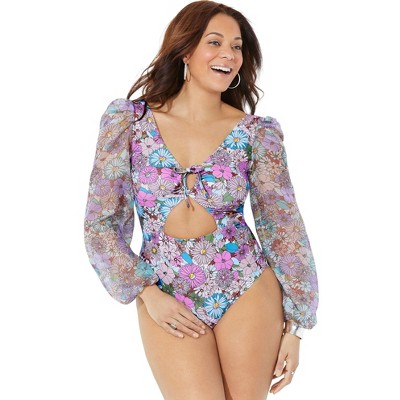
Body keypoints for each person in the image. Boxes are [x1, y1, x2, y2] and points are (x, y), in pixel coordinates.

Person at [83, 1, 319, 399]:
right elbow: (101, 223)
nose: (229, 54)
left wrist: (295, 327)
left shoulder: (256, 133)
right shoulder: (128, 122)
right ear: (185, 51)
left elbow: (283, 228)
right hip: (165, 287)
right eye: (215, 42)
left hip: (245, 283)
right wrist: (147, 293)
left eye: (237, 46)